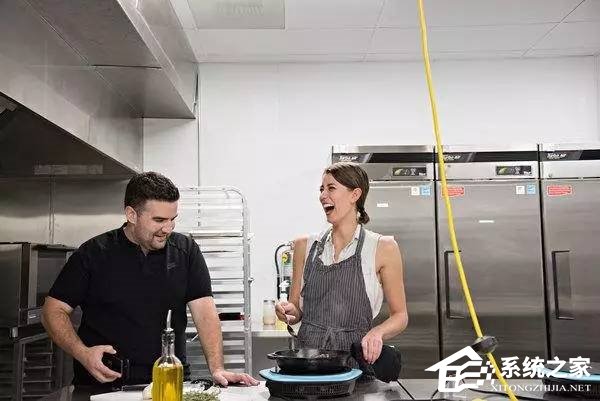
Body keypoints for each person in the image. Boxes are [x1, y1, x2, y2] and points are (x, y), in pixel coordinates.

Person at [42, 172, 258, 388]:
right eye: (159, 220)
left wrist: (217, 368)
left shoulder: (186, 251)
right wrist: (83, 353)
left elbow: (205, 313)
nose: (168, 228)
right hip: (102, 385)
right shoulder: (93, 253)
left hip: (170, 383)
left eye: (172, 219)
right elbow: (53, 310)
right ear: (131, 215)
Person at [275, 162, 408, 365]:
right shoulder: (304, 246)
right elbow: (296, 310)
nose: (322, 196)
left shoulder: (383, 248)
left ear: (355, 195)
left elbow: (400, 316)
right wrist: (288, 312)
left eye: (331, 188)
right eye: (321, 189)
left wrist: (377, 332)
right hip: (308, 364)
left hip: (356, 364)